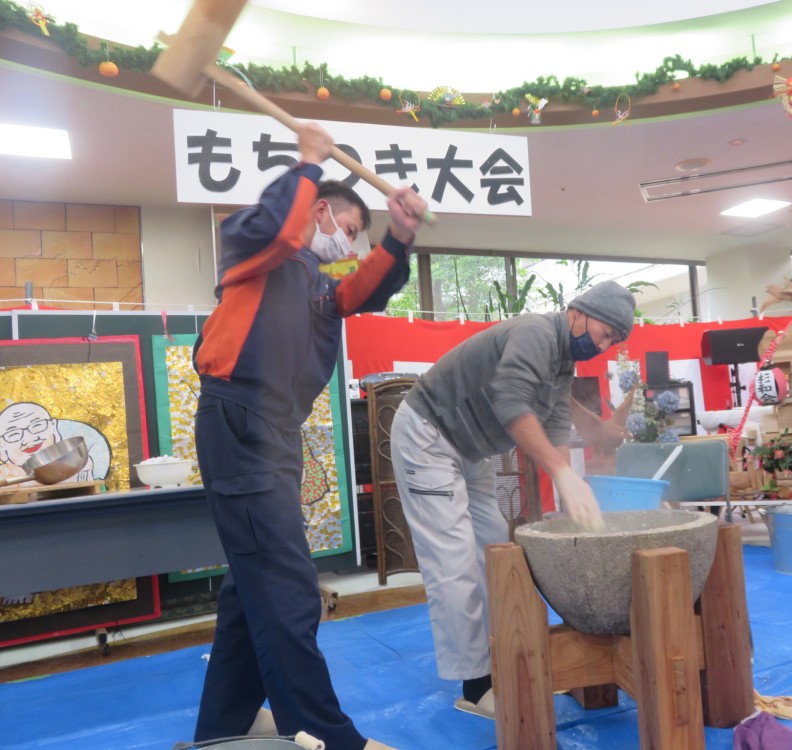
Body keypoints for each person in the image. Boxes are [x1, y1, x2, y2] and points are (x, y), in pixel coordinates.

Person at [192, 122, 427, 750]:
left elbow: (365, 288)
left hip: (274, 430)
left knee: (253, 584)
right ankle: (323, 733)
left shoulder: (320, 287)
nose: (346, 244)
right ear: (321, 210)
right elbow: (277, 227)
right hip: (239, 417)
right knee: (287, 581)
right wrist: (306, 162)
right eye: (348, 230)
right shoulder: (258, 250)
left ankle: (225, 726)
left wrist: (400, 232)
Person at [390, 280, 636, 718]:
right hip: (428, 437)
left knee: (496, 554)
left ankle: (502, 660)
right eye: (604, 334)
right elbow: (510, 402)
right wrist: (561, 473)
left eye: (612, 342)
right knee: (454, 563)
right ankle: (475, 684)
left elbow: (556, 424)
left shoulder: (563, 361)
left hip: (471, 450)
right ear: (579, 312)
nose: (602, 346)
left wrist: (567, 491)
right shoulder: (536, 333)